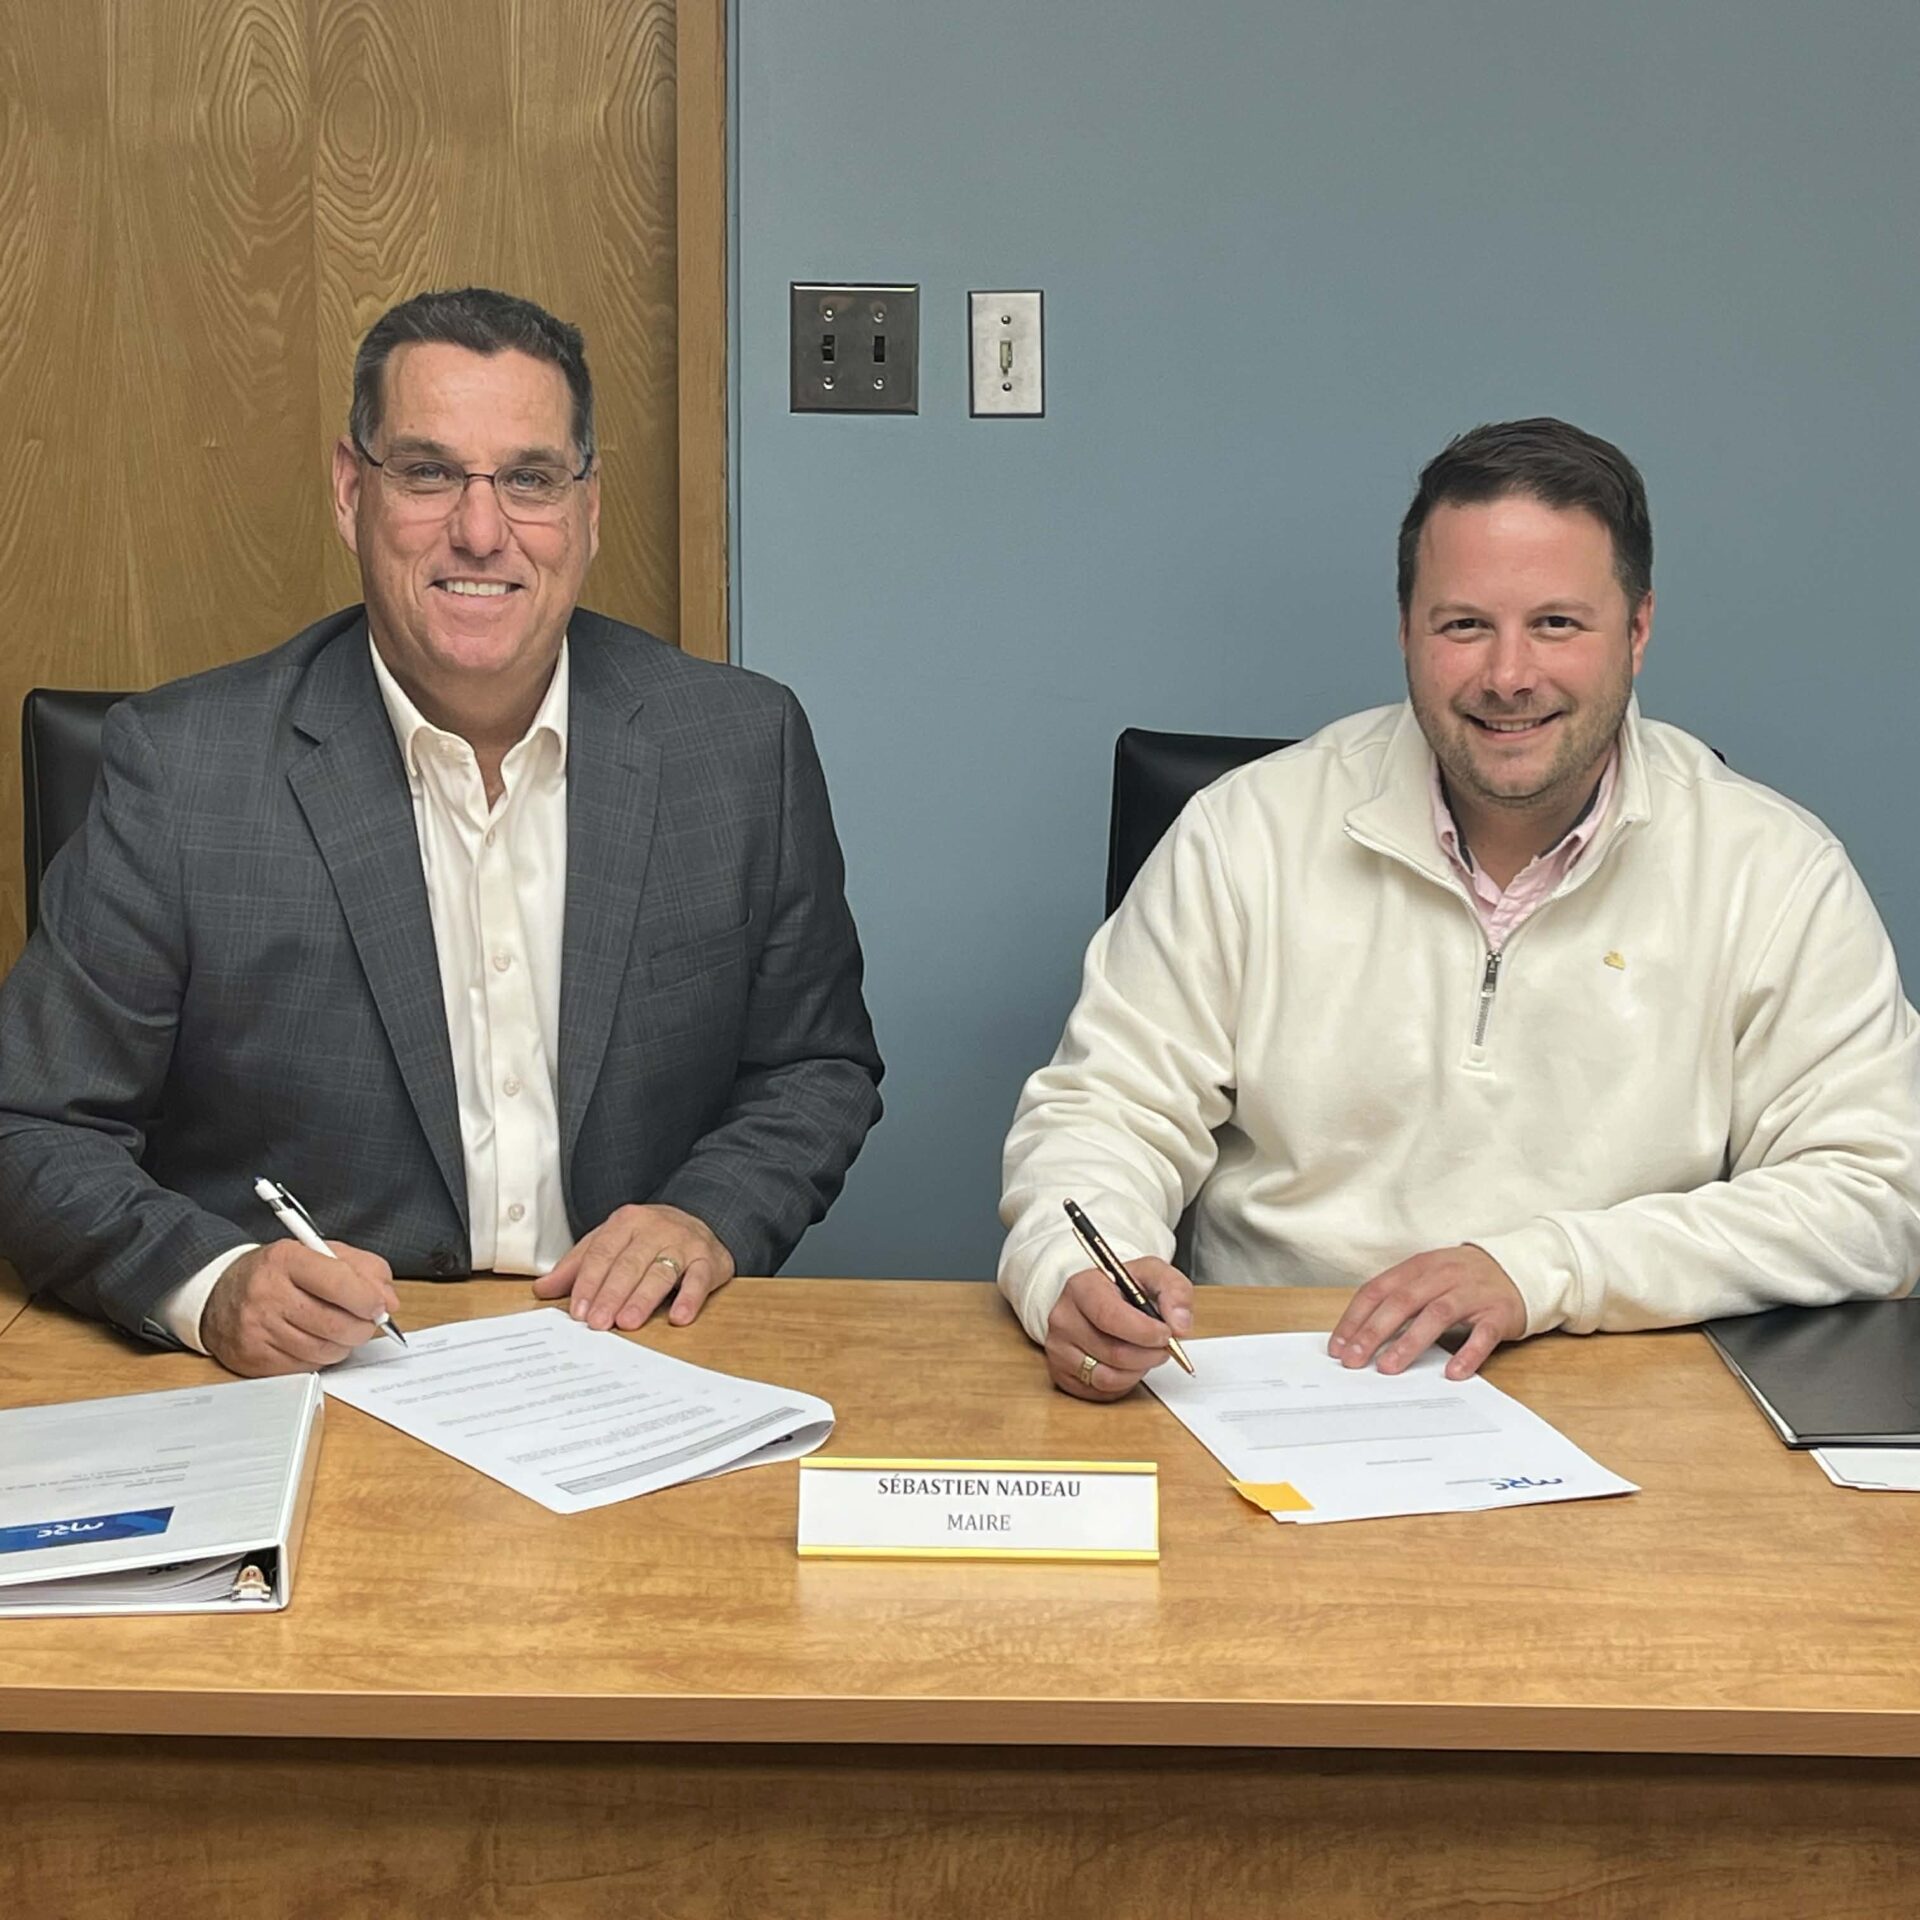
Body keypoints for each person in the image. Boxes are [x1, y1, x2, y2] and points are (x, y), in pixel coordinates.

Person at [0, 286, 882, 1376]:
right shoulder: (181, 771)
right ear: (349, 490)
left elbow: (815, 1067)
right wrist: (211, 1284)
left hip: (641, 1365)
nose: (480, 529)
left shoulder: (743, 748)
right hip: (316, 1377)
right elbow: (34, 1123)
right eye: (427, 473)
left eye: (529, 479)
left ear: (587, 508)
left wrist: (707, 1215)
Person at [998, 417, 1920, 1400]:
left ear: (1638, 630)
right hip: (1283, 1387)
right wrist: (1076, 1267)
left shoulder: (1770, 869)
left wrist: (1545, 1269)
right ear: (1406, 629)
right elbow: (1107, 1111)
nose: (1509, 676)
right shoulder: (1244, 834)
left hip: (1636, 1399)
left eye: (1557, 624)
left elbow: (1878, 1194)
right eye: (1464, 624)